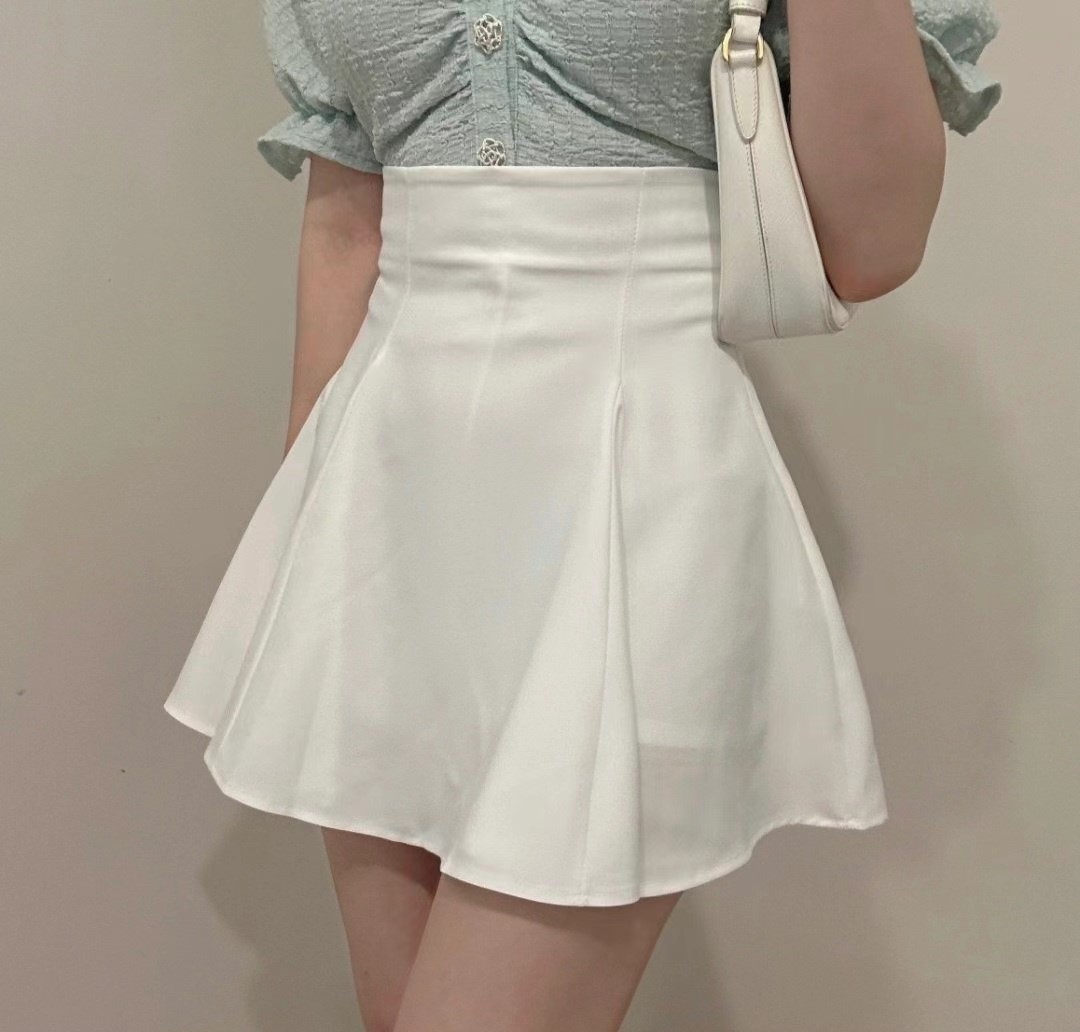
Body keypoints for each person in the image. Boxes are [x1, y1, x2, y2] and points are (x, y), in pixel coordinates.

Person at [164, 1, 1001, 1028]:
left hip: (634, 482)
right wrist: (302, 563)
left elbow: (872, 245)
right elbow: (347, 227)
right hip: (380, 497)